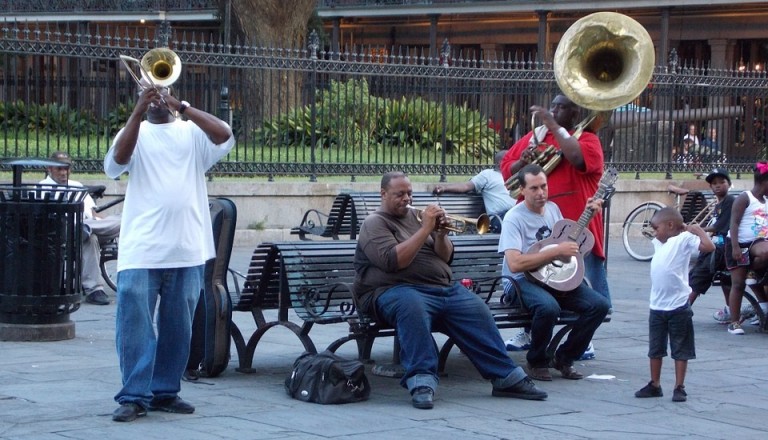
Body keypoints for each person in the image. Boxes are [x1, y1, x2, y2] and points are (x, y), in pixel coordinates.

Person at [353, 171, 547, 410]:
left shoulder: (416, 217)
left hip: (439, 288)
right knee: (411, 306)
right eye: (399, 194)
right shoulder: (375, 223)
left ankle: (506, 377)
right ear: (383, 194)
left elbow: (445, 258)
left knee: (476, 309)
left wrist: (441, 234)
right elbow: (394, 262)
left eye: (409, 193)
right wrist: (425, 229)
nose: (406, 198)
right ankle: (421, 380)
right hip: (392, 290)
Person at [104, 81, 235, 422]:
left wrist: (182, 106)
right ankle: (134, 395)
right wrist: (137, 112)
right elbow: (116, 163)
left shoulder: (191, 132)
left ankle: (165, 391)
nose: (156, 97)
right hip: (142, 249)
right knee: (135, 325)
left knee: (179, 326)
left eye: (162, 90)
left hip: (187, 247)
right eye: (149, 91)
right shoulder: (134, 131)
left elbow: (223, 135)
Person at [500, 94, 609, 359]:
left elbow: (578, 159)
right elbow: (507, 170)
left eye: (562, 108)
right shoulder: (536, 137)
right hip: (532, 225)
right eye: (553, 107)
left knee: (587, 281)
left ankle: (584, 340)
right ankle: (529, 332)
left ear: (575, 113)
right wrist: (522, 162)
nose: (554, 111)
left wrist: (553, 126)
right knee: (538, 280)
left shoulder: (588, 138)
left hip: (575, 225)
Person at [498, 164, 610, 382]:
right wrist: (557, 251)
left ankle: (564, 357)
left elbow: (564, 244)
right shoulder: (514, 218)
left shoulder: (553, 209)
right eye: (534, 188)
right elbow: (515, 264)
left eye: (544, 186)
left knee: (599, 305)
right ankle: (537, 361)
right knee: (548, 307)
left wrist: (587, 215)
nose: (541, 193)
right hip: (520, 280)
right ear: (521, 190)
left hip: (553, 277)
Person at [635, 207, 714, 402]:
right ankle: (655, 383)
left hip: (678, 305)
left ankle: (679, 386)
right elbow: (654, 233)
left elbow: (709, 247)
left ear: (670, 225)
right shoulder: (659, 243)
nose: (655, 232)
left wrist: (696, 231)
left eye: (657, 228)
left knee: (681, 348)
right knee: (655, 348)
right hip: (657, 305)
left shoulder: (684, 239)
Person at [40, 151, 121, 306]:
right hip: (61, 232)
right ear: (49, 169)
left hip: (88, 226)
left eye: (67, 168)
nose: (64, 173)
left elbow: (93, 213)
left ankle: (87, 228)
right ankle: (94, 290)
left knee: (119, 220)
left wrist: (101, 223)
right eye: (60, 169)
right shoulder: (42, 188)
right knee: (90, 238)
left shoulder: (77, 186)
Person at [724, 162, 768, 335]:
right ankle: (734, 322)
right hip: (739, 244)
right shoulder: (745, 197)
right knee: (738, 284)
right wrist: (735, 246)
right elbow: (734, 222)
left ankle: (752, 271)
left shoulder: (766, 201)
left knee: (765, 251)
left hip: (757, 242)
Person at [432, 149, 514, 233]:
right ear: (500, 162)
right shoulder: (488, 175)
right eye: (511, 159)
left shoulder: (514, 176)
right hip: (500, 218)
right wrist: (445, 188)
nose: (514, 162)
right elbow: (466, 186)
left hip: (515, 213)